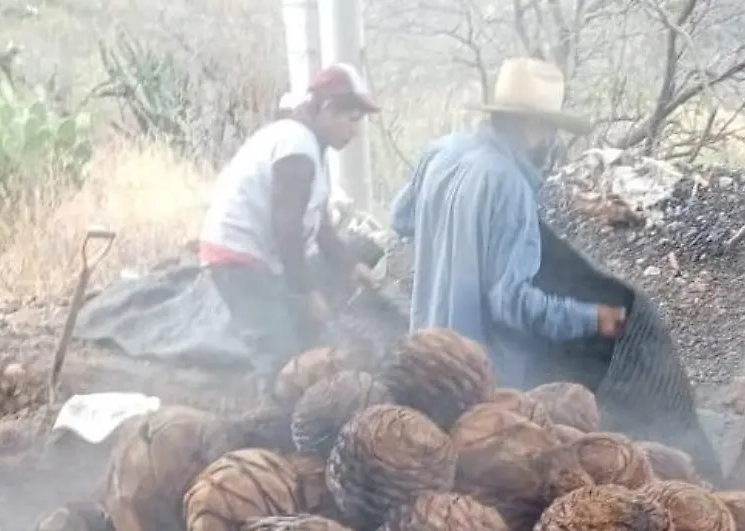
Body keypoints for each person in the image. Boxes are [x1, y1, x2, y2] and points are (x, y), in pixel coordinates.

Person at [389, 57, 628, 388]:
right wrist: (592, 317)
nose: (551, 139)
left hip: (422, 360)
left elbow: (400, 219)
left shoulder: (439, 152)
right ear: (531, 125)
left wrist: (451, 244)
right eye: (550, 128)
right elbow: (509, 302)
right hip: (471, 382)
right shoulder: (509, 184)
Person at [199, 63, 378, 397]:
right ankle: (268, 428)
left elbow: (320, 226)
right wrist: (305, 292)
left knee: (301, 342)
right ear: (326, 108)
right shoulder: (296, 147)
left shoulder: (310, 146)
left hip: (260, 255)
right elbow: (286, 228)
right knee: (279, 357)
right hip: (238, 255)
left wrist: (351, 266)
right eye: (351, 118)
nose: (355, 131)